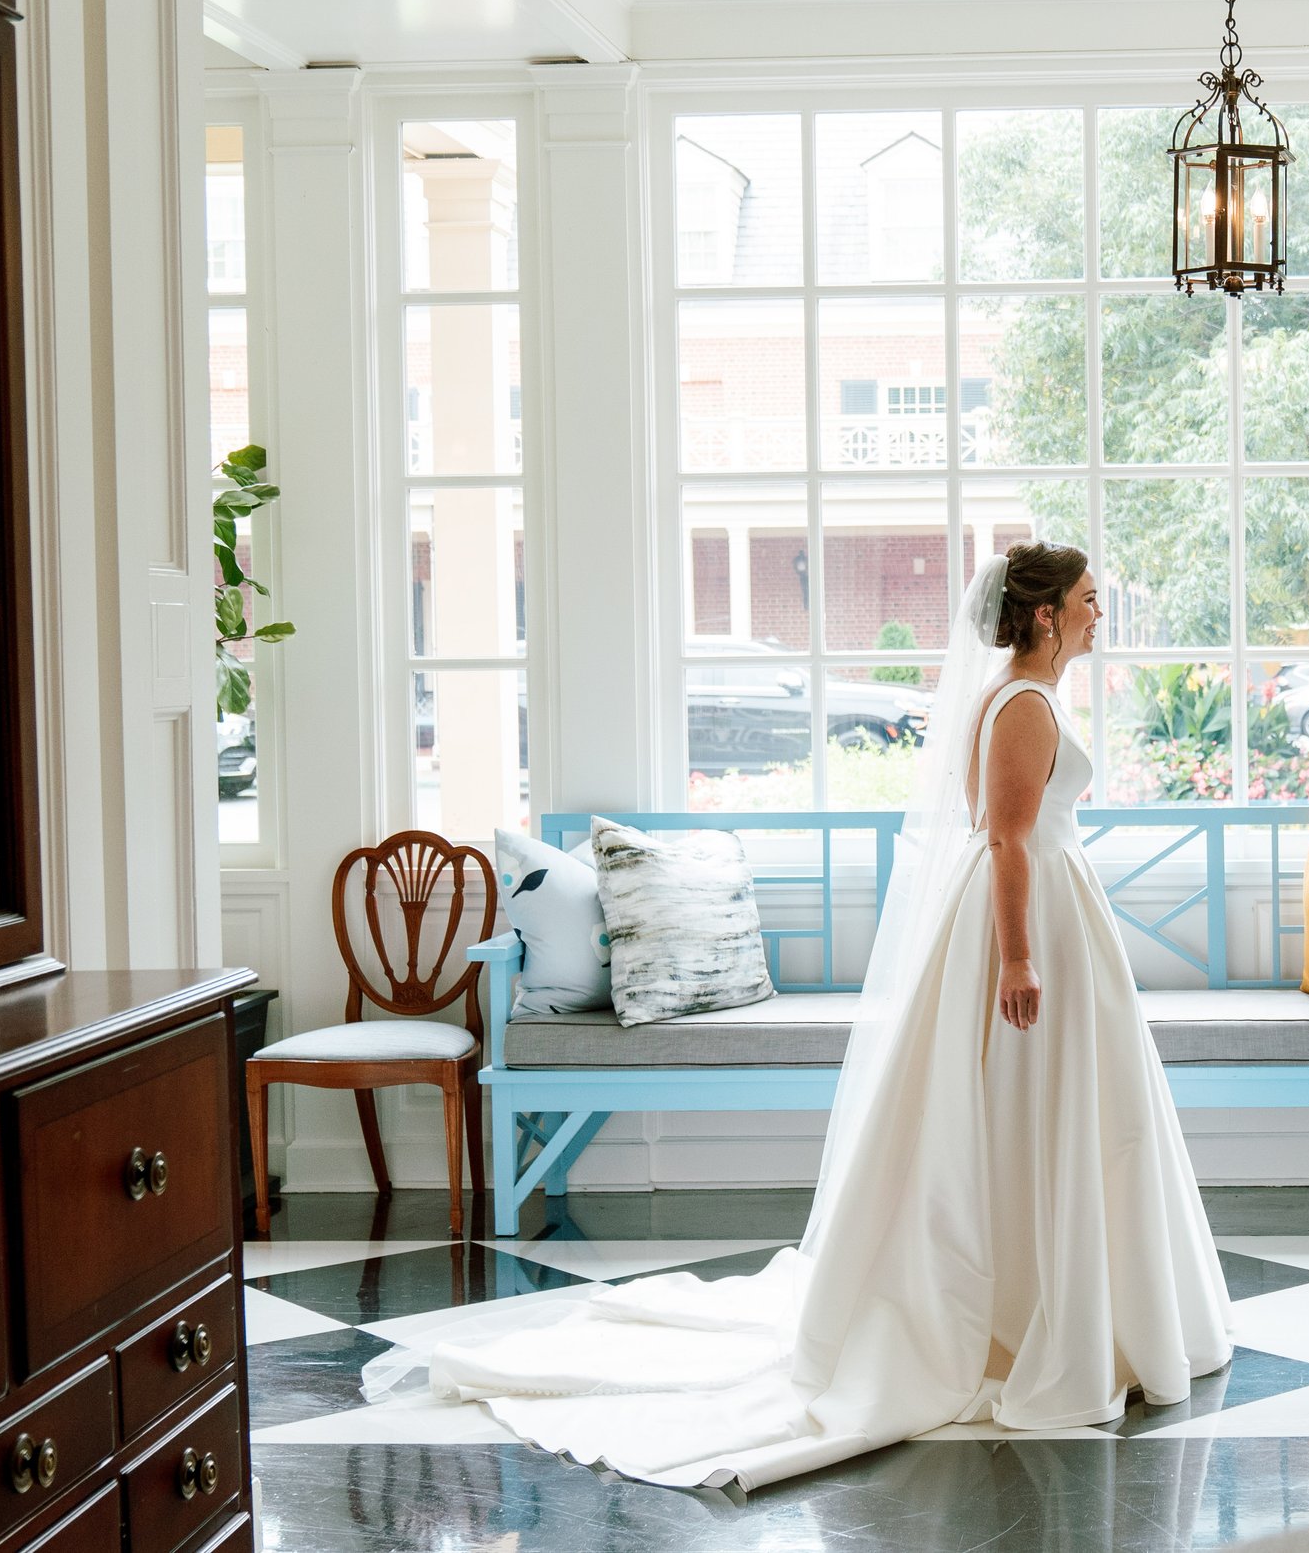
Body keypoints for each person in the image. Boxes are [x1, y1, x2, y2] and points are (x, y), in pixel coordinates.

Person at [361, 543, 1231, 1488]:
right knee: (1033, 1110)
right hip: (1029, 921)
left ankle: (1060, 1298)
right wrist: (1018, 959)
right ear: (1049, 615)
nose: (1103, 614)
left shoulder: (1029, 697)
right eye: (1092, 601)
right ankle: (1030, 1311)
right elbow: (1009, 839)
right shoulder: (1022, 702)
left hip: (1055, 913)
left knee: (1048, 1115)